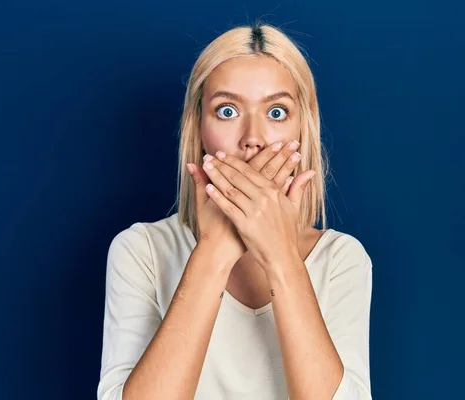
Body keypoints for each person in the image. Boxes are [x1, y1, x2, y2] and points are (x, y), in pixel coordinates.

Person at [97, 23, 373, 400]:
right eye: (227, 111)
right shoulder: (141, 251)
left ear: (302, 131)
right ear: (199, 130)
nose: (253, 139)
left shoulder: (341, 259)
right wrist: (215, 250)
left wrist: (280, 256)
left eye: (276, 112)